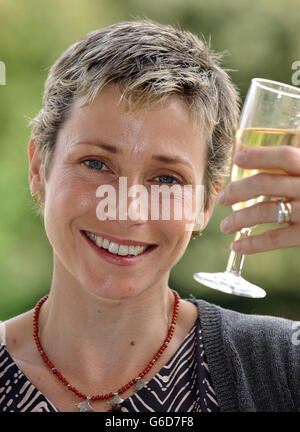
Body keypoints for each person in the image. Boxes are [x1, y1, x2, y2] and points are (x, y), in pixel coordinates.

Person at [0, 19, 299, 413]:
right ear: (39, 167)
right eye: (96, 163)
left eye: (165, 179)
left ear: (206, 202)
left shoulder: (281, 366)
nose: (128, 210)